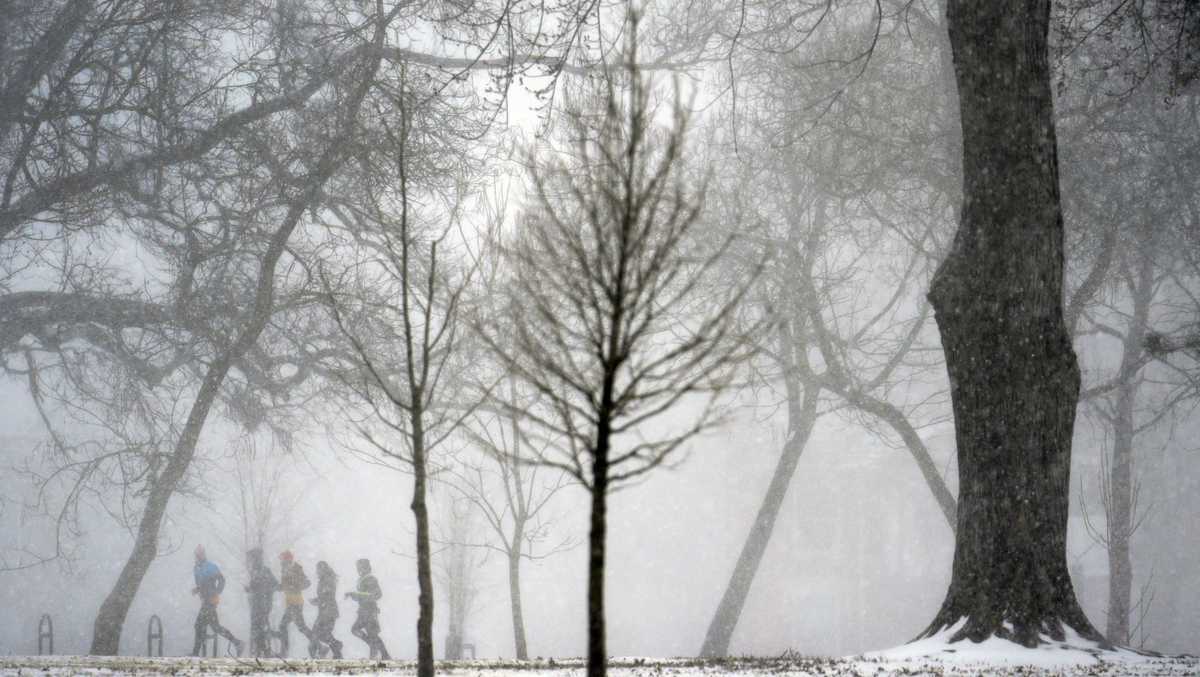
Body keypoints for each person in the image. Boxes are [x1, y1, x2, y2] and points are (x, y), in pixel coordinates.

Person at [192, 545, 243, 657]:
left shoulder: (211, 566)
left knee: (199, 625)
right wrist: (197, 590)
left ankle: (195, 653)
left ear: (204, 554)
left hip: (211, 600)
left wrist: (216, 592)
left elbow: (221, 580)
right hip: (205, 600)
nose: (198, 556)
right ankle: (237, 643)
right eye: (197, 554)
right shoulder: (196, 568)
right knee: (215, 627)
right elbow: (201, 584)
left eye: (200, 553)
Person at [345, 558, 390, 660]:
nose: (358, 569)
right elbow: (364, 596)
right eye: (357, 567)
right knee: (363, 631)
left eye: (360, 566)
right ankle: (383, 654)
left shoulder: (370, 579)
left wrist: (356, 594)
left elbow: (377, 594)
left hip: (369, 610)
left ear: (365, 567)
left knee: (370, 633)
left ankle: (382, 654)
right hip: (363, 610)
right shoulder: (363, 579)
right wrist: (353, 595)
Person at [277, 550, 314, 657]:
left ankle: (284, 652)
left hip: (296, 602)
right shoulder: (285, 569)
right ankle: (320, 646)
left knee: (283, 626)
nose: (281, 561)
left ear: (287, 559)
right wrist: (279, 587)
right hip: (290, 602)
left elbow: (307, 582)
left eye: (282, 559)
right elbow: (285, 585)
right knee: (300, 627)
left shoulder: (296, 568)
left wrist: (295, 586)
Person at [245, 547, 279, 658]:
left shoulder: (263, 570)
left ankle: (265, 650)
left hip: (262, 604)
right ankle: (263, 649)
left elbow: (274, 584)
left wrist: (265, 593)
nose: (252, 561)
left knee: (260, 626)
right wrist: (250, 589)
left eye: (253, 558)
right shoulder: (256, 571)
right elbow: (255, 586)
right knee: (258, 627)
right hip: (258, 604)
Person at [308, 560, 344, 658]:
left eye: (318, 569)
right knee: (322, 633)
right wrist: (316, 600)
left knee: (320, 633)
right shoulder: (324, 579)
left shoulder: (327, 579)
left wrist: (317, 600)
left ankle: (332, 649)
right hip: (325, 610)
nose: (317, 571)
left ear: (323, 569)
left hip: (328, 610)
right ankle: (337, 651)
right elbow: (324, 595)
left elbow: (327, 595)